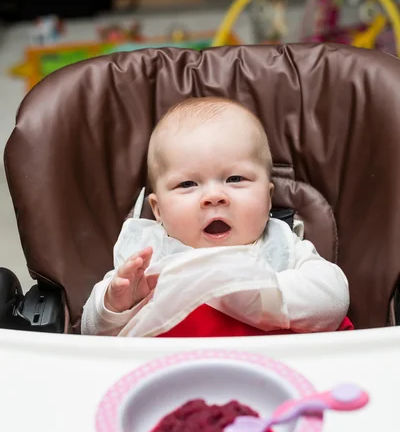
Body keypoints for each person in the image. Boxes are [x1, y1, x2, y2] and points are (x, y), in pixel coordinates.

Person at [81, 97, 352, 337]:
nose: (213, 196)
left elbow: (334, 299)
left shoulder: (280, 247)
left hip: (272, 370)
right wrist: (114, 307)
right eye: (187, 184)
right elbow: (92, 332)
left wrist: (264, 294)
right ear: (158, 210)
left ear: (268, 198)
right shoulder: (148, 258)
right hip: (169, 375)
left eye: (235, 179)